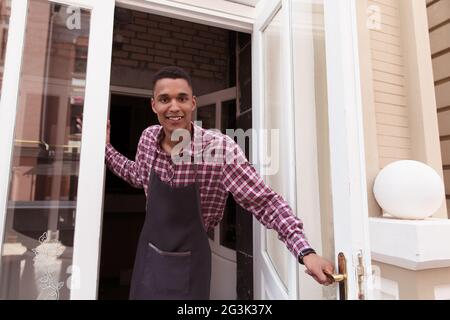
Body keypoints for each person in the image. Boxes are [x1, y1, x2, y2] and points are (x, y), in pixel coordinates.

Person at [98, 66, 334, 300]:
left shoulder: (218, 149)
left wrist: (305, 252)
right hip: (148, 258)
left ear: (193, 102)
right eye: (164, 99)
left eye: (181, 98)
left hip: (190, 268)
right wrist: (106, 149)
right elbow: (136, 175)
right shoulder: (148, 138)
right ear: (153, 105)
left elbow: (265, 202)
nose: (173, 107)